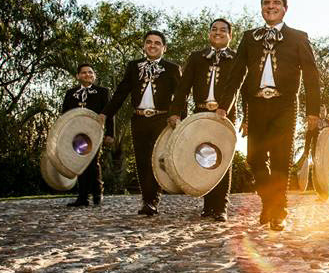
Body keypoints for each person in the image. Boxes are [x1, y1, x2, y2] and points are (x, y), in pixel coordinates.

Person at [216, 0, 320, 231]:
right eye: (266, 2)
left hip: (285, 104)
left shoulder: (298, 37)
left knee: (281, 158)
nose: (270, 6)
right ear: (261, 7)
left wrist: (313, 111)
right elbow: (236, 74)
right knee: (254, 158)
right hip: (257, 103)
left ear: (285, 8)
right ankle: (269, 201)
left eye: (275, 2)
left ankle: (279, 211)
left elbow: (312, 76)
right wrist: (224, 105)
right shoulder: (249, 37)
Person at [100, 30, 181, 216]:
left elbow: (181, 96)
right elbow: (121, 92)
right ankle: (147, 199)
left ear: (164, 48)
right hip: (138, 119)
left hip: (161, 120)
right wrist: (106, 113)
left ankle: (153, 200)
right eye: (149, 42)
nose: (152, 45)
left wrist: (178, 116)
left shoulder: (172, 68)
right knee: (142, 161)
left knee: (155, 159)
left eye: (157, 43)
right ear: (144, 46)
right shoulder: (133, 66)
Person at [168, 18, 238, 222]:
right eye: (214, 29)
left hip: (225, 116)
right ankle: (208, 205)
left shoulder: (237, 58)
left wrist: (248, 119)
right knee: (203, 157)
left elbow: (243, 90)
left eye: (223, 30)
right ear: (209, 34)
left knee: (223, 160)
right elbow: (183, 88)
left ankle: (221, 207)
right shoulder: (196, 57)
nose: (218, 32)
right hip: (199, 114)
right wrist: (175, 112)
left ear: (230, 35)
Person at [61, 63, 114, 207]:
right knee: (80, 163)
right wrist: (63, 134)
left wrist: (110, 133)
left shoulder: (103, 92)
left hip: (95, 133)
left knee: (93, 162)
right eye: (84, 73)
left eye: (90, 72)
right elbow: (64, 115)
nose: (87, 75)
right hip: (76, 134)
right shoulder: (70, 93)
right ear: (78, 76)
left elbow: (109, 114)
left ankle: (97, 194)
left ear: (94, 76)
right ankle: (83, 197)